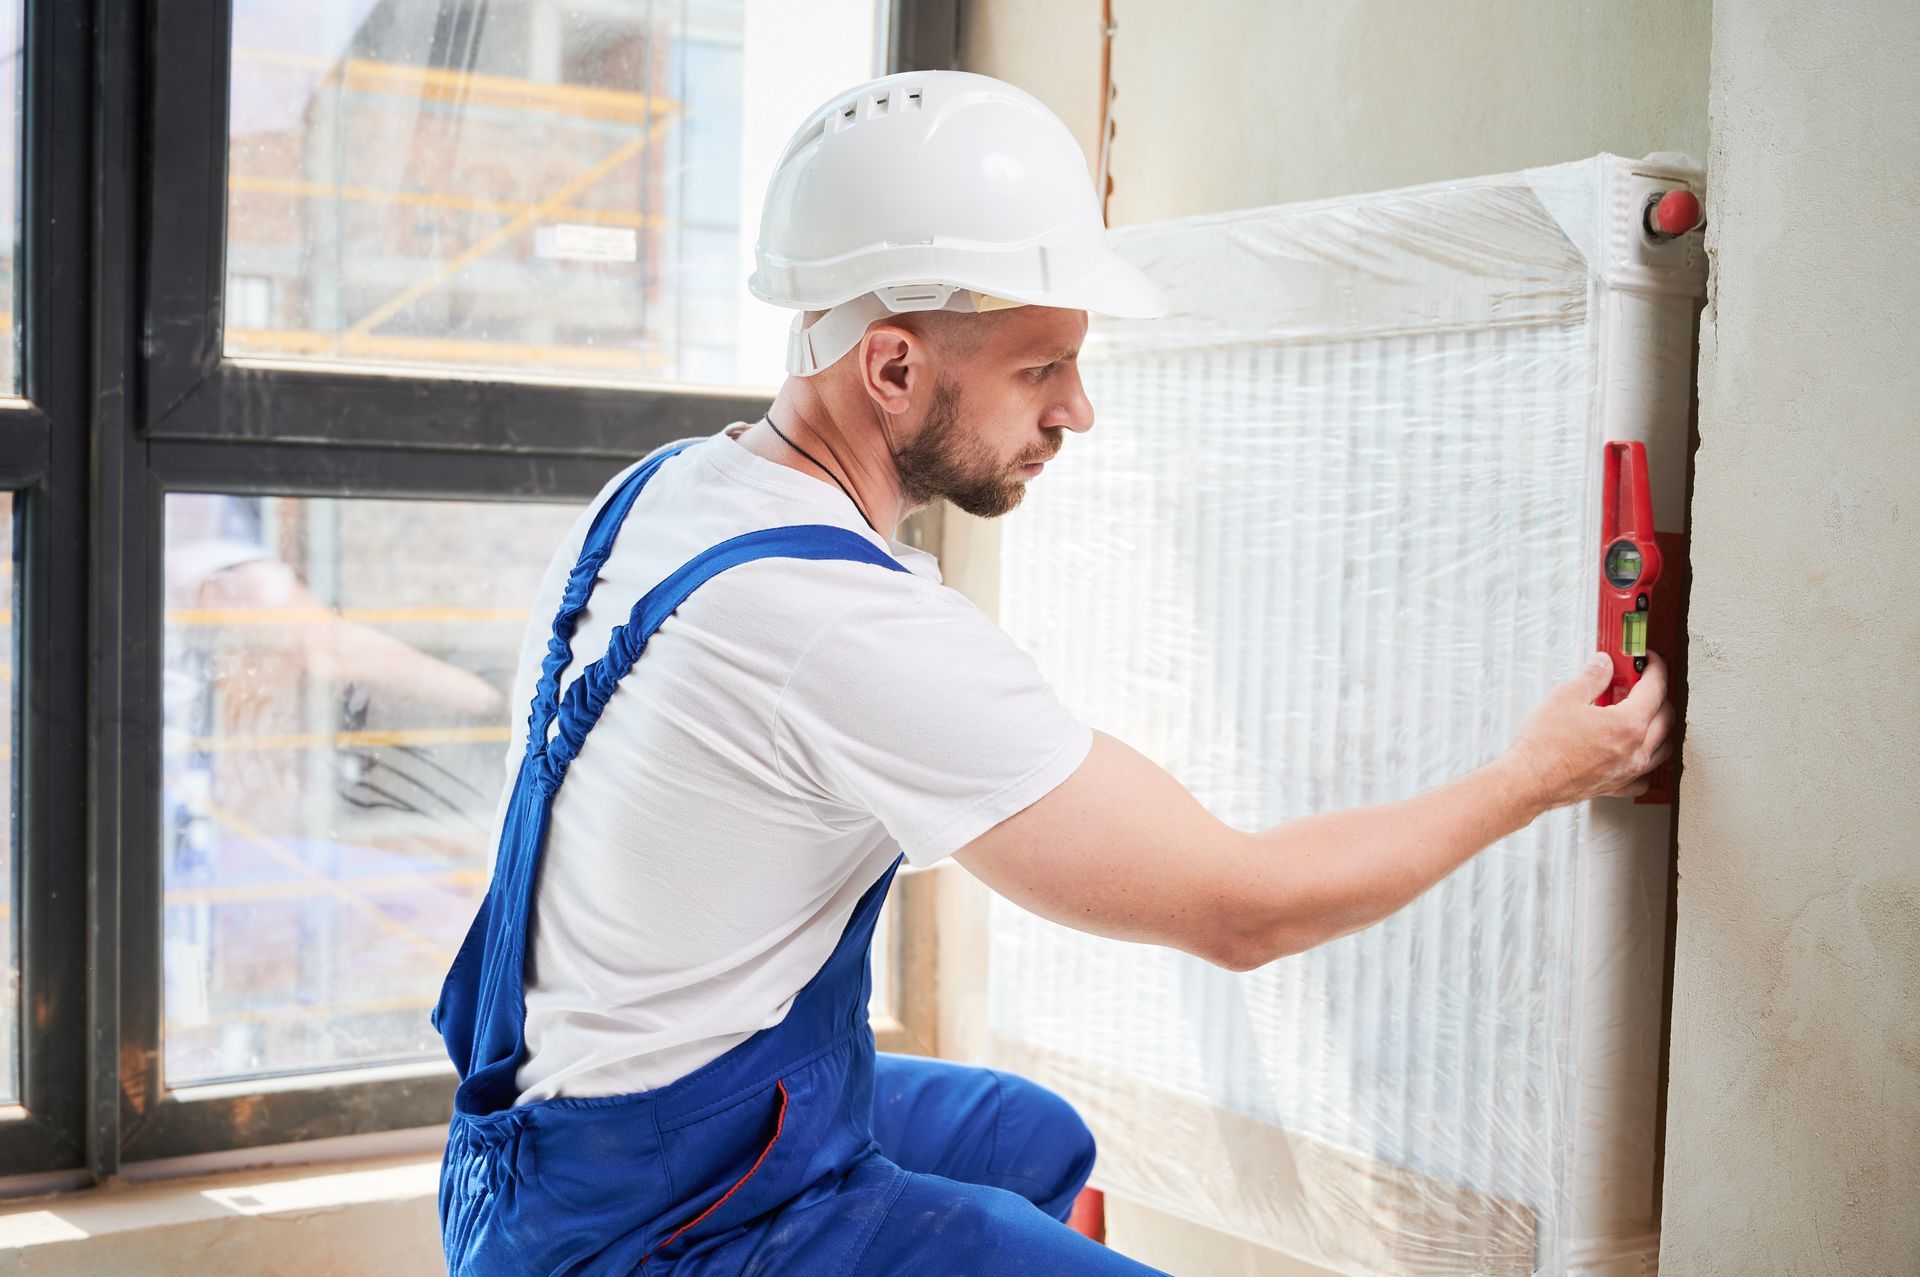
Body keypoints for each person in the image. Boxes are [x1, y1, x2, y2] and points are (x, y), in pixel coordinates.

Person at [433, 71, 1674, 1275]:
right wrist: (1537, 772)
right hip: (657, 1228)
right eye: (1041, 368)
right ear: (893, 366)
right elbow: (1241, 909)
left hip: (527, 1154)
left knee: (1033, 1141)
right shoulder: (841, 622)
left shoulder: (662, 490)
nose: (1077, 410)